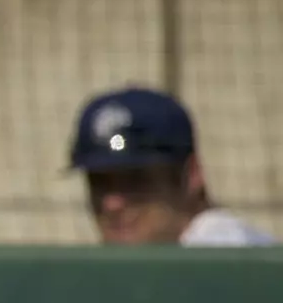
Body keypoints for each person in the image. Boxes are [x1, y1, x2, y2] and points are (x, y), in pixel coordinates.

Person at [69, 88, 274, 247]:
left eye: (134, 180)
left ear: (191, 175)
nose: (111, 204)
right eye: (99, 183)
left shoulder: (227, 257)